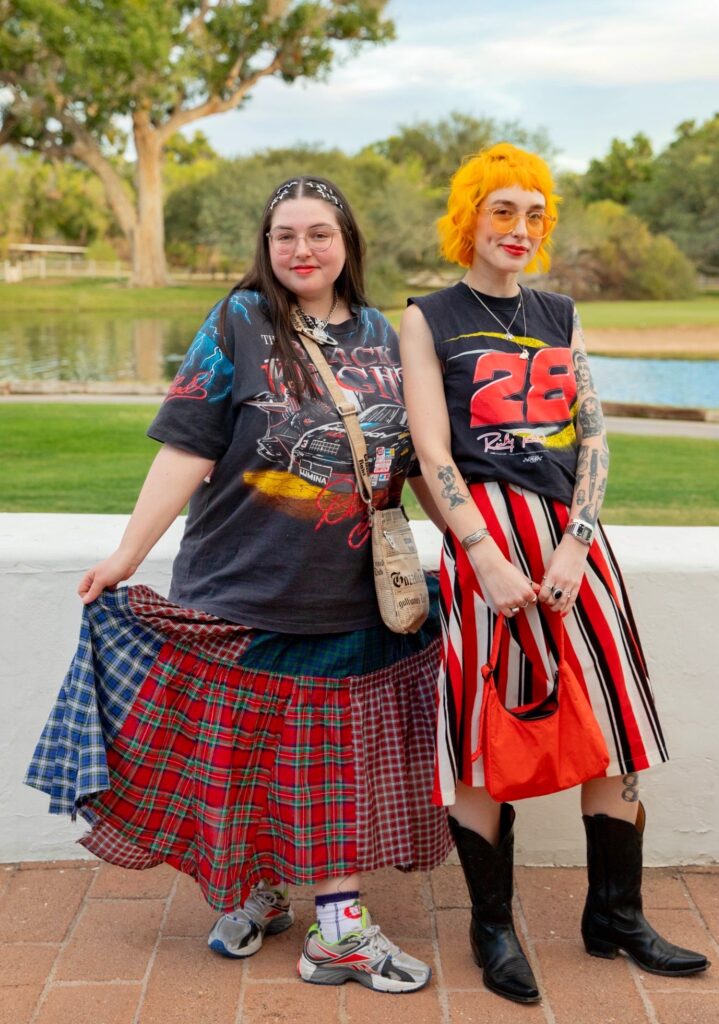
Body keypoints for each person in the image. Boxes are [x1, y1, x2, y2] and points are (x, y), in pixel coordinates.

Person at [26, 175, 452, 995]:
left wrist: (483, 544)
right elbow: (187, 445)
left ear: (347, 243)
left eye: (318, 233)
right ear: (265, 246)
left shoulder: (386, 335)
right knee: (248, 758)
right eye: (284, 235)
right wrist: (125, 555)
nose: (301, 249)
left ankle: (337, 929)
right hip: (238, 585)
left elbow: (419, 459)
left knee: (329, 763)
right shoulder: (237, 324)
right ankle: (260, 890)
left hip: (351, 595)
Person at [400, 144, 710, 1005]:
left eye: (534, 215)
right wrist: (484, 557)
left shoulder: (560, 313)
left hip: (576, 547)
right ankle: (490, 927)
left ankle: (614, 915)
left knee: (613, 716)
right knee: (483, 725)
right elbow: (430, 451)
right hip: (485, 545)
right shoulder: (430, 317)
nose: (520, 230)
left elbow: (593, 436)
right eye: (502, 211)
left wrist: (577, 542)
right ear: (469, 217)